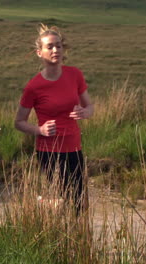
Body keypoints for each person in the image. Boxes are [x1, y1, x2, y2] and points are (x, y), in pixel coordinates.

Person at [14, 24, 94, 213]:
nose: (55, 50)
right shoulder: (34, 87)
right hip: (49, 151)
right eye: (49, 46)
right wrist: (39, 130)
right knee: (66, 198)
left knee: (80, 202)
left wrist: (85, 112)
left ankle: (77, 237)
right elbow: (18, 122)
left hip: (74, 147)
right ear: (39, 52)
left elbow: (90, 107)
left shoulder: (74, 74)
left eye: (58, 45)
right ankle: (45, 211)